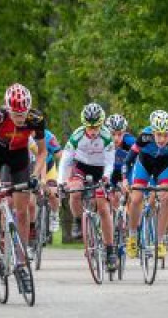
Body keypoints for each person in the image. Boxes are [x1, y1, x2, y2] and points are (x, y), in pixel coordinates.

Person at [0, 83, 48, 277]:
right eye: (15, 114)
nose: (20, 119)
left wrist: (35, 177)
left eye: (23, 114)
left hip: (19, 158)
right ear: (8, 109)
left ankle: (21, 262)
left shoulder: (36, 118)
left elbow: (42, 153)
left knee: (22, 212)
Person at [59, 103, 118, 271]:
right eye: (89, 127)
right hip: (81, 166)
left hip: (101, 169)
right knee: (75, 190)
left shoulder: (107, 137)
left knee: (103, 208)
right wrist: (62, 182)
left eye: (96, 127)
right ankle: (78, 221)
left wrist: (106, 178)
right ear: (84, 125)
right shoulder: (76, 136)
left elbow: (110, 163)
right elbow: (65, 160)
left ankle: (110, 250)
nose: (92, 131)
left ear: (101, 124)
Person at [125, 110, 168, 260]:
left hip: (164, 166)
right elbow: (129, 160)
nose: (162, 139)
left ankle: (160, 240)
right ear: (153, 132)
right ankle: (132, 237)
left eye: (166, 135)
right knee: (136, 198)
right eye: (158, 134)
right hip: (145, 164)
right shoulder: (144, 136)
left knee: (166, 198)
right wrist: (126, 180)